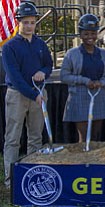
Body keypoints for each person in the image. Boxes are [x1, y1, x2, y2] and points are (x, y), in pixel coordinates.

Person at [2, 2, 53, 187]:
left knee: (35, 137)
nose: (29, 26)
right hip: (17, 95)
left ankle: (33, 174)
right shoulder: (10, 47)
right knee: (13, 138)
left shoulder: (40, 44)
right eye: (26, 22)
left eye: (32, 22)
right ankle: (10, 179)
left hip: (39, 94)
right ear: (18, 22)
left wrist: (43, 72)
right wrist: (33, 95)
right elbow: (14, 77)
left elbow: (49, 65)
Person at [61, 14, 105, 143]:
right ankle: (83, 161)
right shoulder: (72, 54)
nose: (90, 37)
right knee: (84, 137)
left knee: (96, 136)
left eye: (93, 33)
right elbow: (64, 76)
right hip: (79, 95)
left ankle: (94, 162)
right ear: (80, 34)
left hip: (99, 95)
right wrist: (85, 81)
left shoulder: (103, 54)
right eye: (86, 34)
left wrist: (102, 83)